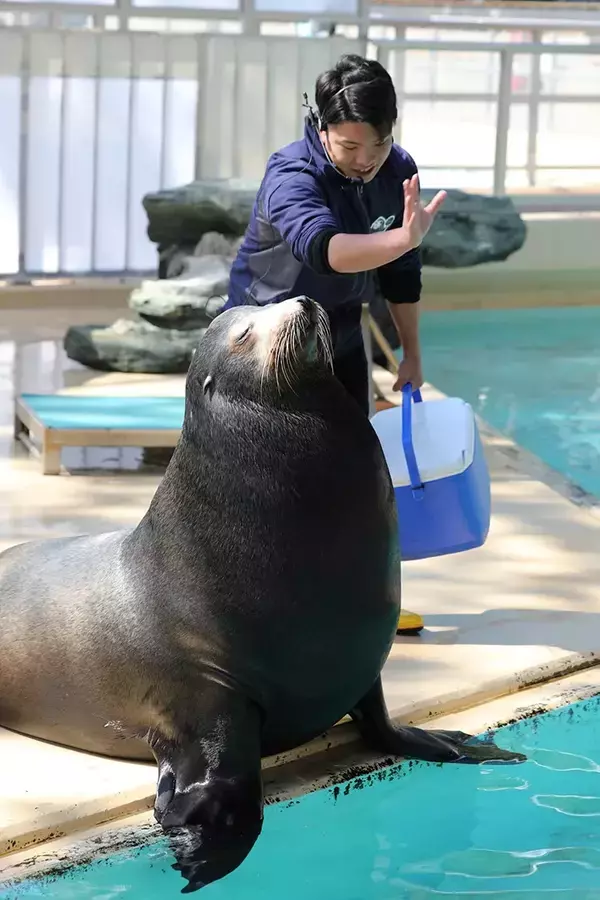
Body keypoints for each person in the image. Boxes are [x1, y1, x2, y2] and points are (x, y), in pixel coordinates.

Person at [223, 53, 447, 634]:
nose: (365, 160)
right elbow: (324, 249)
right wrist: (402, 238)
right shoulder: (291, 174)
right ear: (320, 127)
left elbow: (401, 275)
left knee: (358, 474)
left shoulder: (397, 169)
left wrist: (411, 351)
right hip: (264, 342)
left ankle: (361, 603)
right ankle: (255, 612)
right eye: (348, 147)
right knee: (267, 480)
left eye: (376, 145)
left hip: (340, 334)